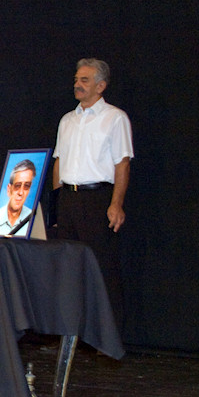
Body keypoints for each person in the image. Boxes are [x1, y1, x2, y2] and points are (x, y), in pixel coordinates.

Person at [53, 58, 134, 334]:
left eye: (84, 80)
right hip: (68, 199)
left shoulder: (115, 118)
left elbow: (122, 163)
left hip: (97, 199)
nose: (77, 84)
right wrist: (56, 205)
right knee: (68, 269)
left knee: (102, 269)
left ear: (101, 86)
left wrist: (116, 204)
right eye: (76, 79)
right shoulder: (67, 120)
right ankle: (72, 333)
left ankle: (109, 337)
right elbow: (59, 162)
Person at [0, 159, 36, 236]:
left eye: (26, 186)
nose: (21, 193)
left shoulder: (34, 221)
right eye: (17, 186)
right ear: (9, 189)